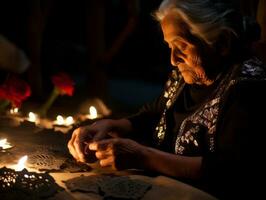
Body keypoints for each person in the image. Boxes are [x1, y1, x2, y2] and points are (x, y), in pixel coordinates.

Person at [68, 0, 266, 199]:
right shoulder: (187, 78)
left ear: (222, 43)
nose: (173, 59)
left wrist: (144, 157)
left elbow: (230, 170)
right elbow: (154, 113)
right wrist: (109, 125)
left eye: (182, 46)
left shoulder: (248, 88)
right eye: (170, 46)